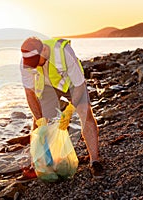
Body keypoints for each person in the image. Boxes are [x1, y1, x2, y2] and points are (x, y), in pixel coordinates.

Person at [19, 36, 103, 179]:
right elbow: (29, 93)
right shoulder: (27, 62)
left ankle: (94, 161)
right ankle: (36, 165)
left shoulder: (63, 52)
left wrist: (70, 110)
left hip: (72, 85)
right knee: (38, 120)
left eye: (36, 62)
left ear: (44, 50)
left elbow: (79, 85)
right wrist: (40, 120)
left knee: (85, 112)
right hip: (47, 87)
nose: (35, 66)